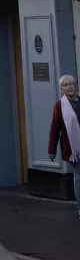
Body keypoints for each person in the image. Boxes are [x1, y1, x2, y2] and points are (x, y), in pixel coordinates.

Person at [48, 72, 80, 215]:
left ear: (76, 85)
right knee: (79, 177)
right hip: (74, 149)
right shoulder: (59, 106)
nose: (69, 87)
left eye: (71, 84)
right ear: (62, 89)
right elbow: (55, 128)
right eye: (65, 85)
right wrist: (52, 149)